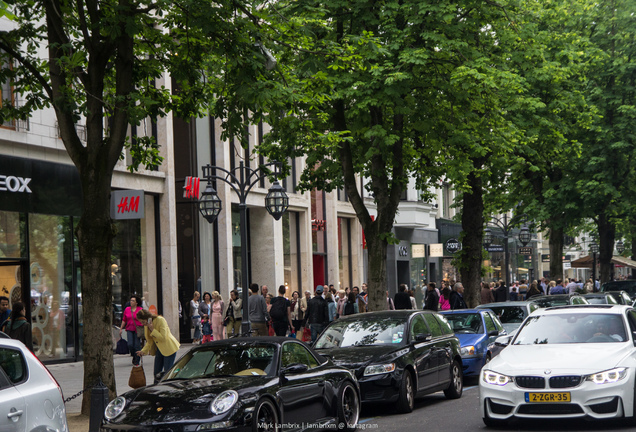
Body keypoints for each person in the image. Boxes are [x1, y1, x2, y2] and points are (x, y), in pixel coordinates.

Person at [136, 309, 180, 383]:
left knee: (167, 372)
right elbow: (149, 340)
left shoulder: (160, 320)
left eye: (143, 322)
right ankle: (156, 388)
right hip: (159, 349)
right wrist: (143, 351)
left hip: (169, 347)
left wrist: (152, 329)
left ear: (147, 318)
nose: (143, 324)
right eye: (141, 322)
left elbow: (163, 337)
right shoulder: (147, 325)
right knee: (156, 372)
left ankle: (168, 386)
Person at [119, 295, 143, 365]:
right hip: (129, 328)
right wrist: (121, 329)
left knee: (137, 345)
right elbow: (124, 320)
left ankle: (137, 360)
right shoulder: (127, 309)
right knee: (130, 344)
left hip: (137, 329)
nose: (131, 302)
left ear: (136, 303)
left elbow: (143, 319)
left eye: (133, 301)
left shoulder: (140, 309)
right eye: (131, 300)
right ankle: (134, 354)